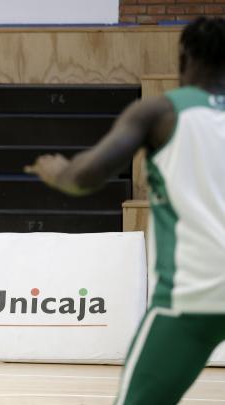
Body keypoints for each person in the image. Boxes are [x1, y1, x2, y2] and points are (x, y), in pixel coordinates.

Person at [25, 16, 225, 405]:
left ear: (183, 58)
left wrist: (56, 171)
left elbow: (85, 177)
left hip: (192, 294)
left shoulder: (160, 112)